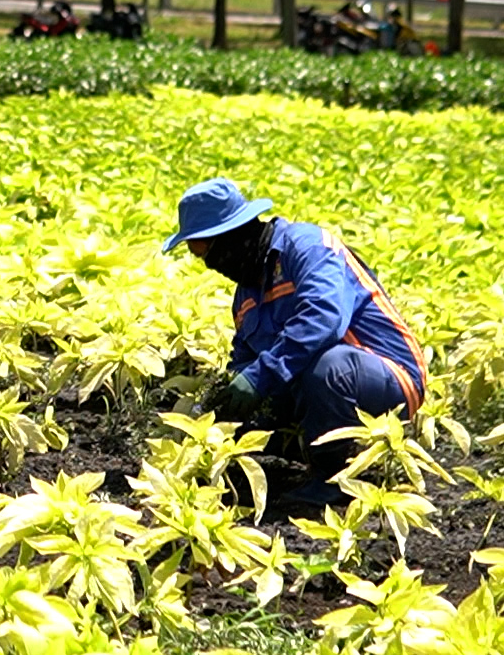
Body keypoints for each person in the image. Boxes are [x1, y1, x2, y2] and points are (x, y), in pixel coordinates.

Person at [165, 177, 427, 509]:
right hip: (316, 386)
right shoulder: (246, 294)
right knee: (253, 407)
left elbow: (324, 320)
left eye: (202, 249)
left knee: (327, 366)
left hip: (390, 377)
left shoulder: (308, 247)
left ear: (232, 235)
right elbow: (245, 360)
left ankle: (335, 480)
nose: (207, 263)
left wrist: (260, 376)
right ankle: (311, 457)